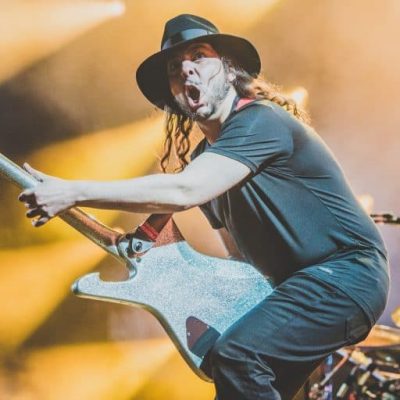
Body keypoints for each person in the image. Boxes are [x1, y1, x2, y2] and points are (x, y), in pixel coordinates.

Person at [18, 14, 389, 400]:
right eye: (175, 68)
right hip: (299, 289)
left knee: (237, 357)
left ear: (229, 70)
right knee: (233, 376)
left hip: (346, 275)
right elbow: (240, 261)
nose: (186, 70)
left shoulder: (260, 121)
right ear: (173, 94)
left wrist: (73, 192)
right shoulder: (206, 159)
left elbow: (184, 190)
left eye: (199, 56)